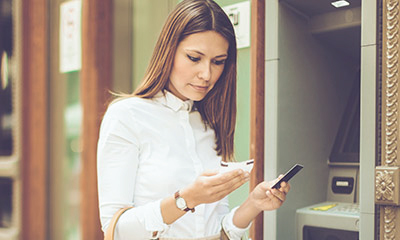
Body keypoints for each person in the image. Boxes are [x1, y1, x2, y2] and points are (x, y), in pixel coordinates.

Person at [97, 0, 290, 239]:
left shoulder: (209, 123)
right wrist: (186, 199)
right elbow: (115, 230)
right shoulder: (127, 116)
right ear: (169, 50)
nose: (207, 74)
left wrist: (253, 205)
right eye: (194, 57)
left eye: (218, 62)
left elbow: (217, 231)